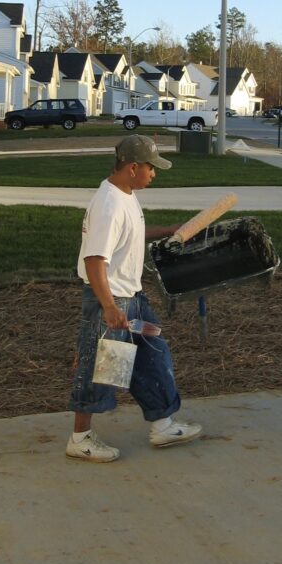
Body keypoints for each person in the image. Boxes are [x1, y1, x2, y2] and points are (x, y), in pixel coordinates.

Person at [66, 134, 202, 463]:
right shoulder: (109, 205)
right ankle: (80, 438)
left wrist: (171, 230)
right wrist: (110, 307)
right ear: (132, 167)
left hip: (134, 300)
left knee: (153, 354)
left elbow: (133, 233)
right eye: (151, 168)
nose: (154, 174)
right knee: (103, 367)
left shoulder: (125, 194)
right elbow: (94, 260)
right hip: (110, 303)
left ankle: (163, 424)